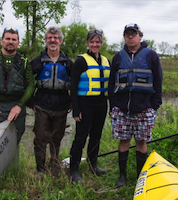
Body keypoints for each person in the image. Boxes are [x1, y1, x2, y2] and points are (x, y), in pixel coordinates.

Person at [108, 23, 163, 187]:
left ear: (140, 36)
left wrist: (154, 106)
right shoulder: (118, 57)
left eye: (133, 33)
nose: (130, 36)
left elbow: (158, 81)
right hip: (122, 110)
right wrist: (113, 105)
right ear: (124, 37)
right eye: (127, 34)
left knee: (141, 143)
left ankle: (140, 177)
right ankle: (122, 176)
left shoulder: (151, 56)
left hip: (144, 110)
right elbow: (112, 83)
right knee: (123, 141)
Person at [0, 27, 35, 144]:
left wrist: (19, 105)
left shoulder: (24, 62)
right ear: (2, 41)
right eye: (7, 38)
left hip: (16, 107)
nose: (10, 42)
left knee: (13, 142)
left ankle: (12, 162)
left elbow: (30, 85)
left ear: (18, 43)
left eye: (14, 39)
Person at [30, 27, 73, 176]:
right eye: (49, 37)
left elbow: (74, 84)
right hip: (42, 104)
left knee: (57, 138)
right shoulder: (37, 61)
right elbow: (28, 82)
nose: (52, 40)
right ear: (46, 40)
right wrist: (31, 102)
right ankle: (40, 170)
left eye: (55, 38)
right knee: (41, 138)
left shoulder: (68, 62)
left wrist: (73, 102)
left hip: (62, 105)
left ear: (60, 41)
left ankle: (54, 168)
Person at [69, 29, 110, 183]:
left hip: (101, 104)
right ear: (87, 43)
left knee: (96, 136)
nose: (95, 44)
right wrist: (76, 109)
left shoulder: (106, 61)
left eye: (98, 42)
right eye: (92, 41)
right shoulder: (81, 61)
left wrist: (111, 106)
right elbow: (73, 86)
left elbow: (110, 86)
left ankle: (93, 165)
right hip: (85, 104)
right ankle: (74, 170)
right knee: (80, 137)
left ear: (101, 43)